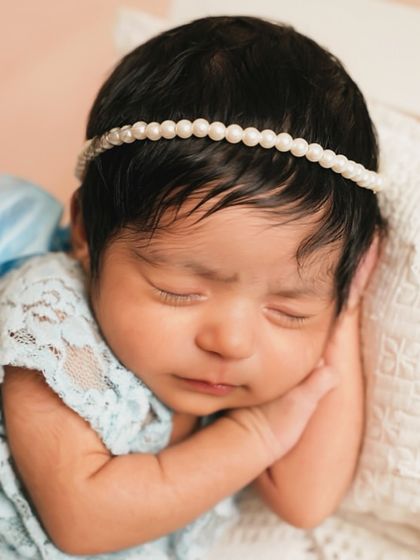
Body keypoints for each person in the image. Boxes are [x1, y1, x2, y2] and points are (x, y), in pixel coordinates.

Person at [0, 14, 384, 560]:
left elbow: (306, 499)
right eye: (179, 290)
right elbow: (82, 520)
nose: (230, 341)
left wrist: (342, 310)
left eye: (288, 309)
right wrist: (255, 433)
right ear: (86, 229)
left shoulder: (224, 377)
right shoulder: (49, 314)